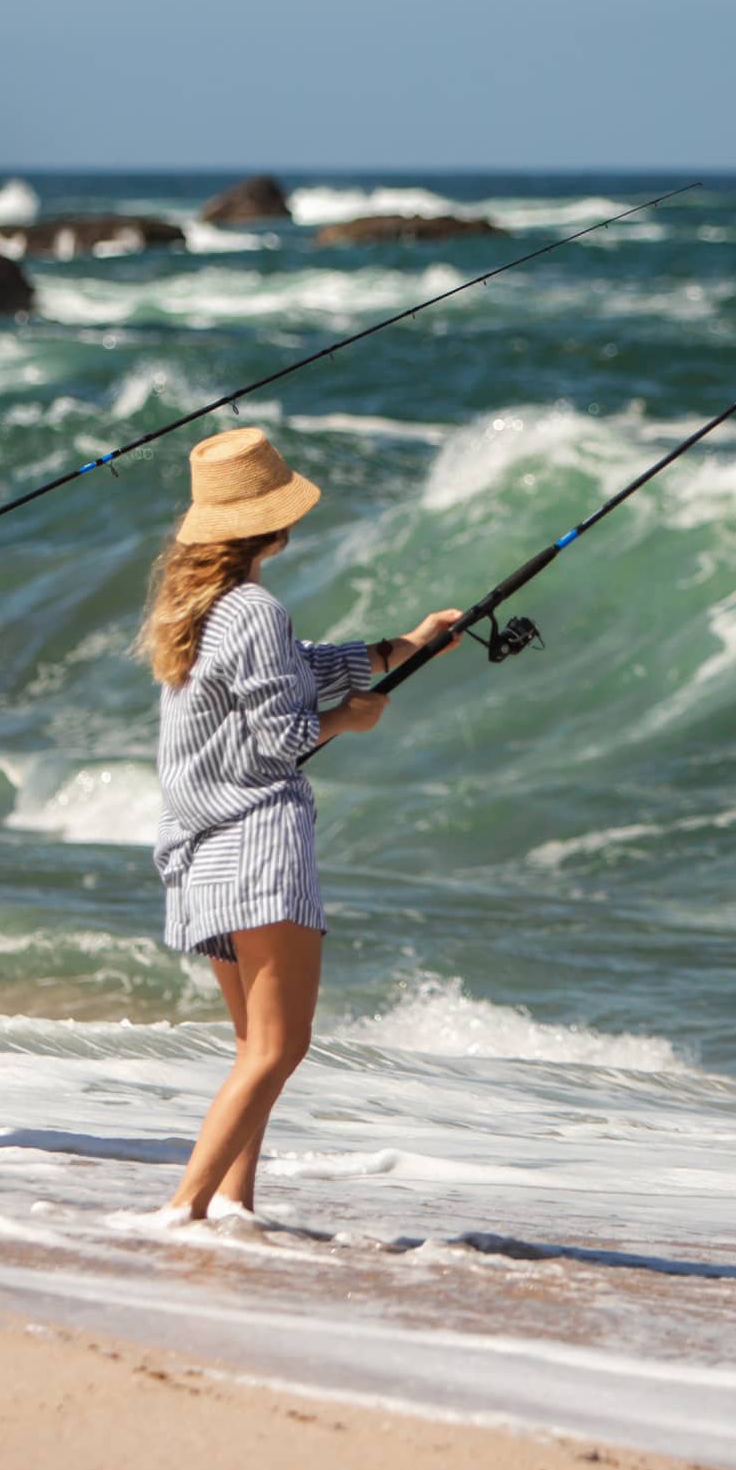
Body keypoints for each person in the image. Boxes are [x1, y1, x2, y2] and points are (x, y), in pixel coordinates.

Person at [138, 426, 461, 1221]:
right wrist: (348, 721)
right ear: (270, 526)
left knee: (255, 1051)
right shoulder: (254, 608)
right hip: (257, 847)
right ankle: (182, 1211)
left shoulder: (199, 610)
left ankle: (233, 1211)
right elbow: (285, 733)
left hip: (203, 853)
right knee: (280, 1048)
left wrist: (404, 646)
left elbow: (293, 666)